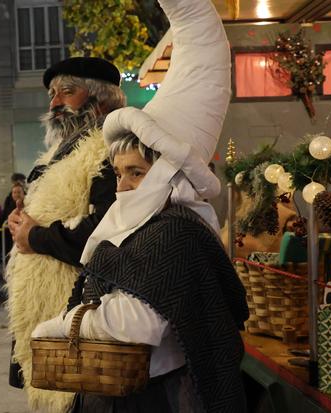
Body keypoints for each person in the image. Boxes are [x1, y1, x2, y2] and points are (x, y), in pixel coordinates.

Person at [35, 135, 247, 412]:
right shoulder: (141, 226)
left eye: (136, 173)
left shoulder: (173, 232)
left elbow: (135, 324)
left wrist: (65, 324)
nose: (121, 187)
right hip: (122, 390)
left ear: (169, 177)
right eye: (118, 173)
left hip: (154, 398)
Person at [4, 55, 124, 410]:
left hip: (78, 309)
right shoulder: (59, 151)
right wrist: (20, 220)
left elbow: (106, 230)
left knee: (77, 398)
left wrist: (35, 236)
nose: (54, 102)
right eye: (52, 94)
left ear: (101, 98)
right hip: (42, 302)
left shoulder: (111, 150)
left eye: (66, 92)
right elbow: (51, 211)